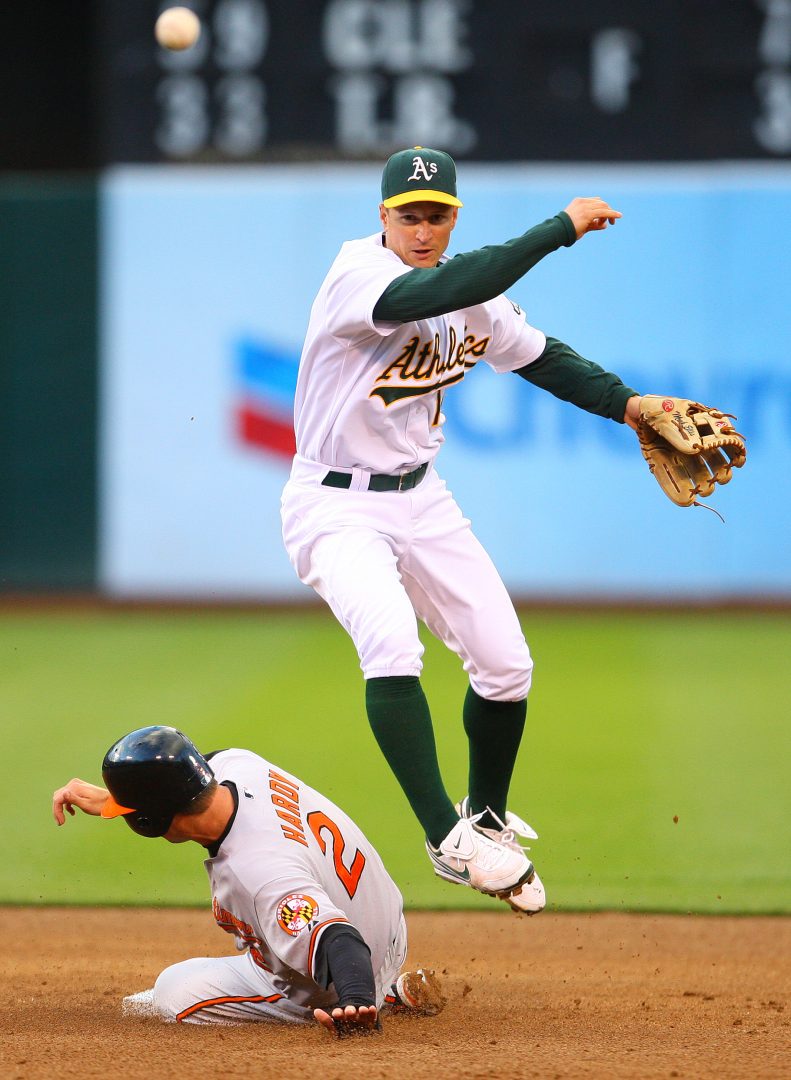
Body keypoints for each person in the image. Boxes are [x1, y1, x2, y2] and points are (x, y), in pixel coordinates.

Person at [280, 146, 645, 914]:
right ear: (383, 216)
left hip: (422, 497)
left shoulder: (474, 295)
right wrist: (558, 229)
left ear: (454, 218)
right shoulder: (358, 273)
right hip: (335, 505)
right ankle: (446, 838)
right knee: (392, 647)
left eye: (437, 216)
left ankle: (484, 816)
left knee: (506, 665)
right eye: (408, 215)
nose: (422, 229)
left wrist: (629, 406)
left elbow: (541, 357)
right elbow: (445, 287)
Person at [52, 725, 445, 1035]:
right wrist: (114, 798)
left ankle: (383, 996)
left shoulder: (258, 875)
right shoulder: (237, 764)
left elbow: (338, 939)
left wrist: (357, 1001)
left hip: (344, 970)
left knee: (171, 990)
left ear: (148, 821)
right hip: (386, 925)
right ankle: (382, 986)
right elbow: (183, 775)